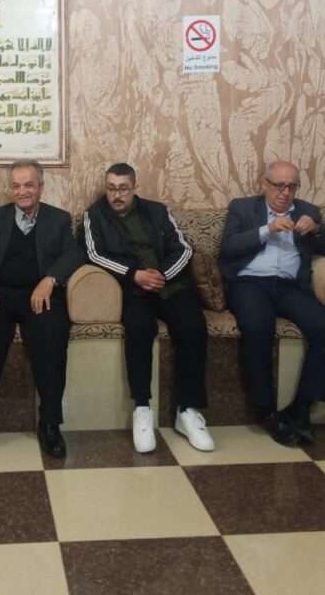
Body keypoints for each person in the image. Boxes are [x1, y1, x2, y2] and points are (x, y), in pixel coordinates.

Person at [82, 163, 213, 453]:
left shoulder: (157, 211)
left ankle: (188, 410)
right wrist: (134, 275)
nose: (116, 195)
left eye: (123, 189)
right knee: (139, 330)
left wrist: (161, 275)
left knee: (193, 328)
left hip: (171, 284)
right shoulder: (94, 215)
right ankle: (142, 408)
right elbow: (94, 254)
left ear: (134, 188)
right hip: (134, 289)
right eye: (111, 188)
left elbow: (183, 248)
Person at [0, 160, 82, 459]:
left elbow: (72, 254)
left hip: (38, 295)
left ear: (41, 187)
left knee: (52, 337)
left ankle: (50, 424)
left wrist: (50, 280)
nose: (22, 191)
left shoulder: (58, 219)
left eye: (29, 185)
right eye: (16, 186)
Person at [219, 160, 325, 447]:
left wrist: (316, 230)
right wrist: (267, 229)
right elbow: (228, 247)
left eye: (291, 187)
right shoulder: (242, 208)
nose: (285, 193)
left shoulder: (308, 211)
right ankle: (267, 411)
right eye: (279, 186)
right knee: (258, 327)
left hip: (289, 287)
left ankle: (301, 409)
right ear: (265, 184)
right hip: (249, 283)